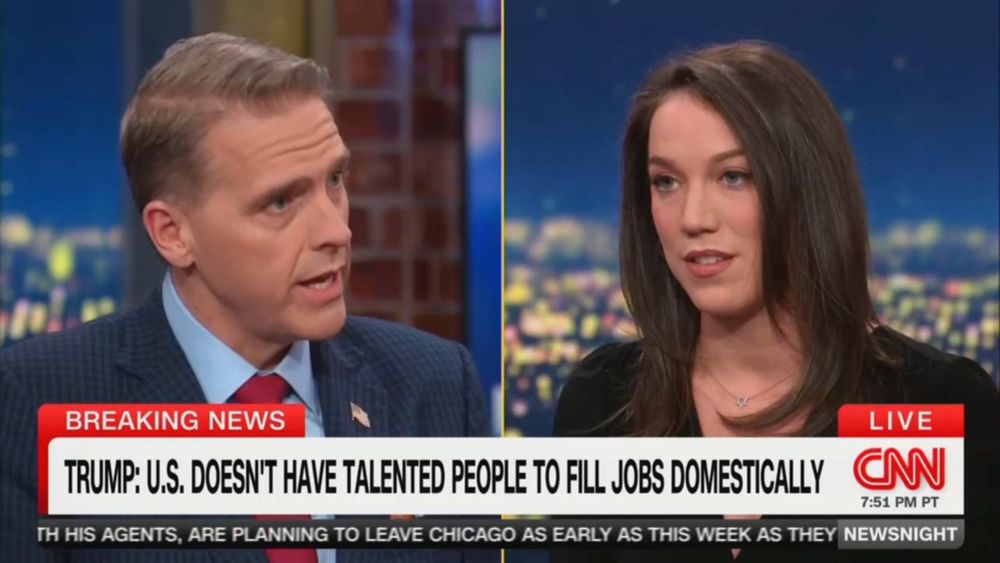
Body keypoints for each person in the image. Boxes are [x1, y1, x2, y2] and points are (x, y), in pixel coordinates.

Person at [0, 33, 495, 563]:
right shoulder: (40, 403)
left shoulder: (436, 386)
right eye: (280, 202)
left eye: (334, 180)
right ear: (173, 233)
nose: (336, 231)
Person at [552, 41, 999, 562]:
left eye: (733, 177)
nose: (693, 218)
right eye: (666, 182)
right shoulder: (605, 403)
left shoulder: (930, 404)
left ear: (807, 190)